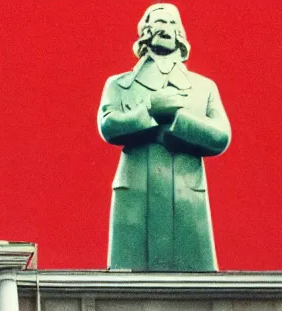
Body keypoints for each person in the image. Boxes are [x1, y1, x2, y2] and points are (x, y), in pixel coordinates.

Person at [97, 3, 231, 271]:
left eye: (171, 23)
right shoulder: (119, 84)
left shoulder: (203, 87)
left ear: (180, 33)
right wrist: (149, 110)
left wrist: (178, 120)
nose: (165, 27)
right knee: (129, 283)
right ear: (145, 32)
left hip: (185, 194)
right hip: (137, 191)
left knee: (195, 286)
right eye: (158, 22)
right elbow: (108, 125)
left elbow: (221, 135)